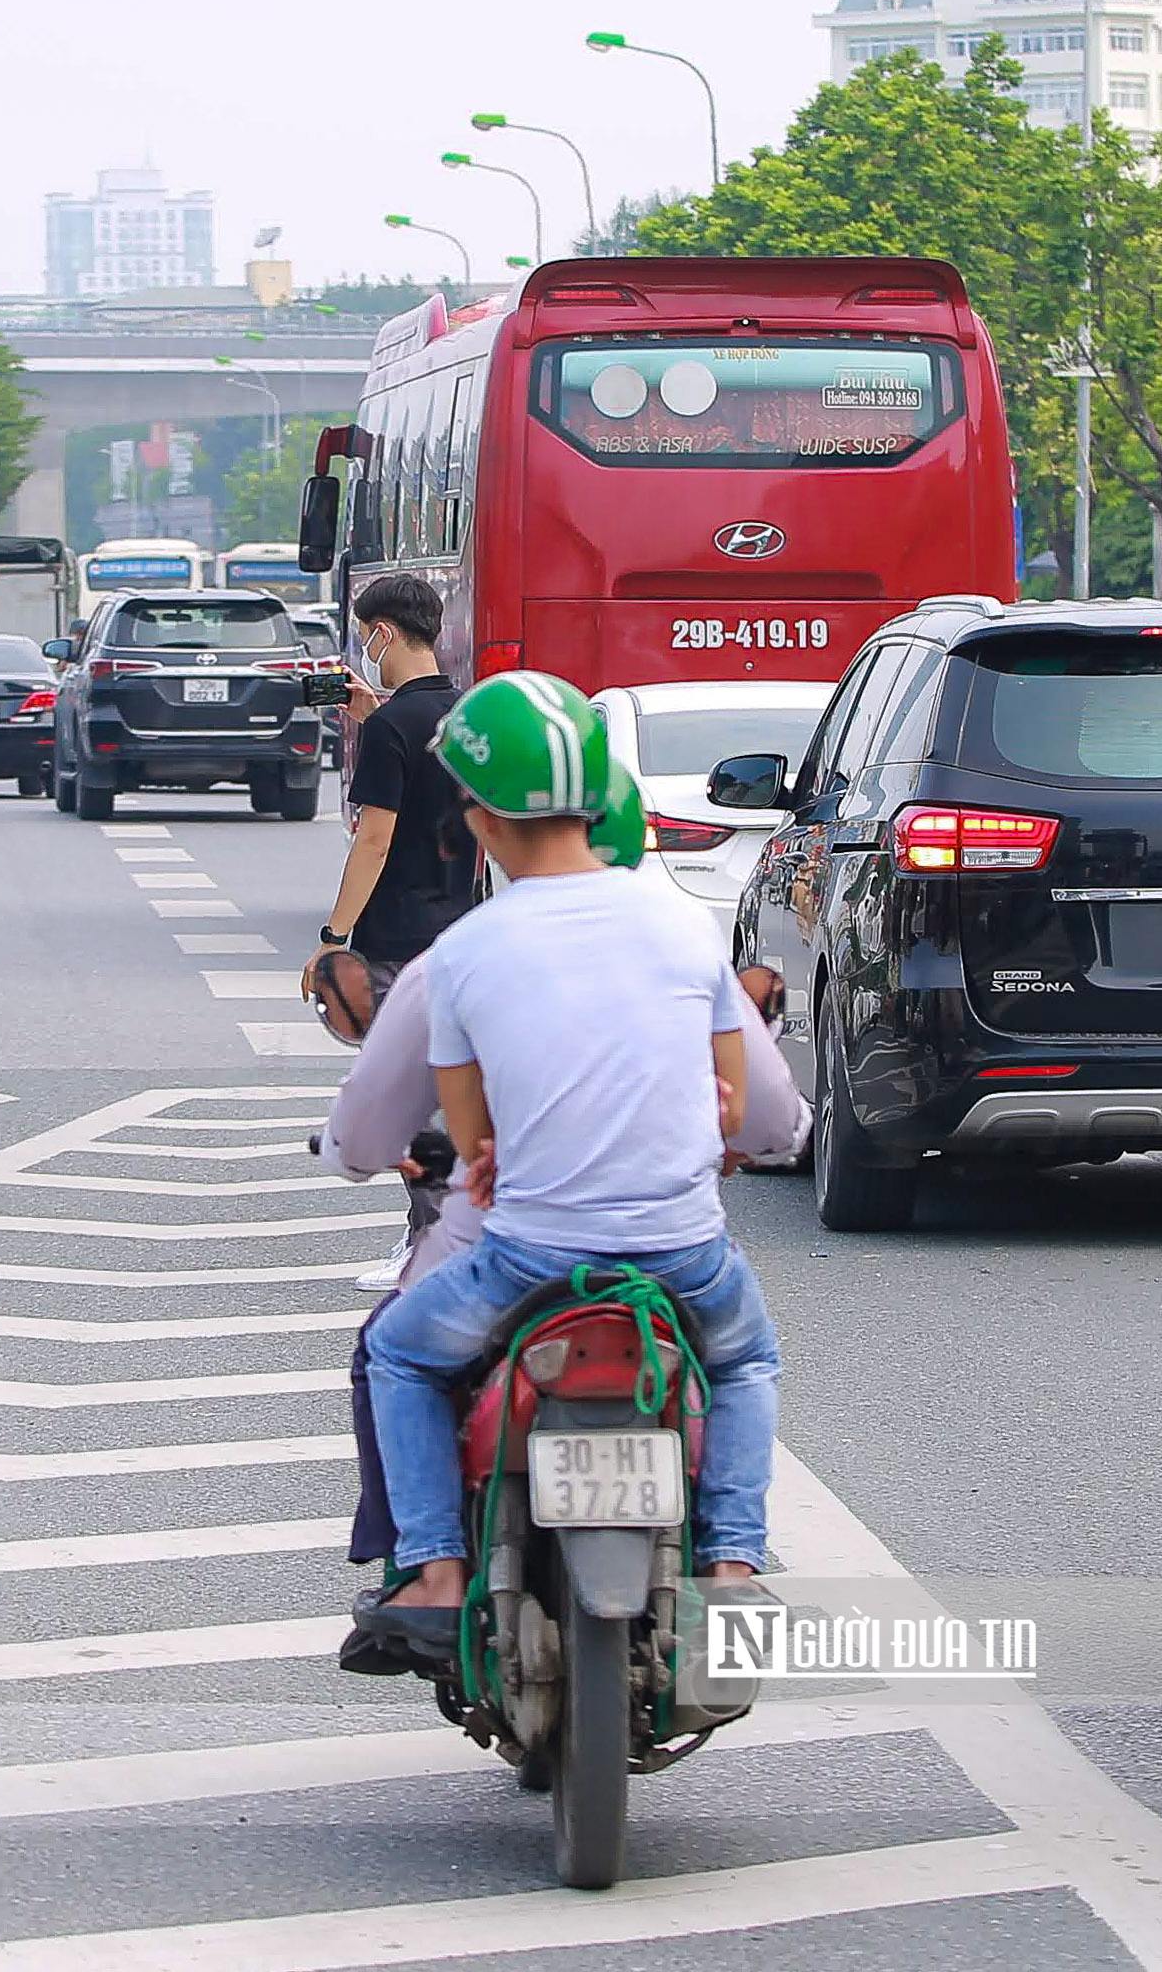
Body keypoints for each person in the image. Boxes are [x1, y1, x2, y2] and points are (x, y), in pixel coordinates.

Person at [313, 762, 808, 1661]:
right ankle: (733, 1565)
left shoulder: (462, 955)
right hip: (682, 1252)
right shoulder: (684, 934)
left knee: (396, 1353)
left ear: (481, 823)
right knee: (744, 1362)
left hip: (527, 1256)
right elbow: (759, 1117)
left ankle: (432, 1568)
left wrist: (481, 1154)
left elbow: (459, 1143)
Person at [304, 574, 472, 1004]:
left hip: (396, 940)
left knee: (395, 1064)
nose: (365, 655)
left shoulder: (390, 727)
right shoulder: (465, 714)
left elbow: (374, 842)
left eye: (364, 641)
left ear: (384, 633)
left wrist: (333, 938)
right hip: (458, 930)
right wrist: (375, 716)